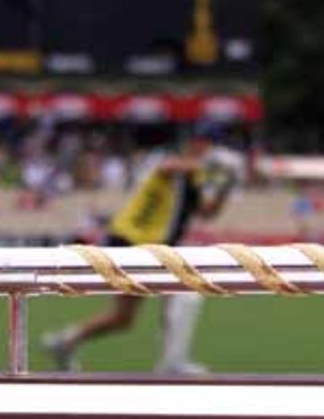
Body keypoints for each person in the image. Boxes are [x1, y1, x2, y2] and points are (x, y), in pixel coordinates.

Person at [41, 124, 241, 375]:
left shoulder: (194, 177)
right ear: (196, 142)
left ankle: (64, 342)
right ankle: (173, 363)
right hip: (135, 242)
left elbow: (206, 213)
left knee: (123, 319)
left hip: (143, 245)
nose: (209, 150)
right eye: (208, 143)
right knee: (187, 293)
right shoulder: (173, 163)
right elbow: (168, 167)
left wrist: (224, 188)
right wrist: (217, 166)